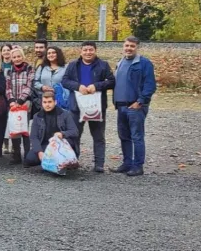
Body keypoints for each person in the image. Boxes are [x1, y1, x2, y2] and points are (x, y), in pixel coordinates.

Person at [61, 41, 115, 173]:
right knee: (74, 135)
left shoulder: (103, 65)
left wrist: (96, 86)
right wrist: (77, 86)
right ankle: (72, 160)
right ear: (81, 51)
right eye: (85, 50)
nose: (88, 52)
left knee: (98, 135)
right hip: (76, 107)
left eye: (91, 50)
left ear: (95, 51)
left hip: (96, 107)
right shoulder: (73, 65)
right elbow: (65, 81)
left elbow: (112, 81)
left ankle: (99, 164)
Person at [110, 36, 157, 177]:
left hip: (135, 106)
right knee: (124, 136)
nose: (129, 48)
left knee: (137, 136)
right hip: (121, 106)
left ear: (137, 48)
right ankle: (127, 163)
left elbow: (150, 85)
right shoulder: (120, 62)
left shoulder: (144, 63)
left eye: (132, 46)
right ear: (123, 47)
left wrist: (140, 101)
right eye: (127, 45)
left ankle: (138, 166)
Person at [23, 92, 79, 168]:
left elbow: (75, 131)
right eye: (45, 102)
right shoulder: (37, 116)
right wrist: (39, 152)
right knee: (29, 159)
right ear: (42, 103)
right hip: (45, 145)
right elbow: (33, 137)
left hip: (61, 145)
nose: (47, 105)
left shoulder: (65, 114)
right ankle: (50, 161)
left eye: (50, 102)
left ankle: (62, 162)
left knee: (58, 159)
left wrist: (62, 134)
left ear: (55, 102)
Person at [5, 47, 34, 165]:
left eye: (19, 56)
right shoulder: (9, 71)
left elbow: (29, 86)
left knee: (24, 129)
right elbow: (8, 87)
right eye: (14, 57)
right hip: (13, 104)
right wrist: (11, 100)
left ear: (23, 57)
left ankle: (27, 155)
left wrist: (20, 101)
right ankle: (16, 154)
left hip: (25, 103)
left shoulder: (29, 69)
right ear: (11, 58)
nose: (17, 59)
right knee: (14, 128)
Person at [33, 46, 67, 116]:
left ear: (58, 54)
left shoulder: (65, 68)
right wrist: (42, 87)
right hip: (45, 99)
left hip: (60, 100)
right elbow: (35, 81)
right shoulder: (42, 67)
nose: (51, 55)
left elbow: (68, 82)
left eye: (53, 53)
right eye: (49, 53)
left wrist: (58, 89)